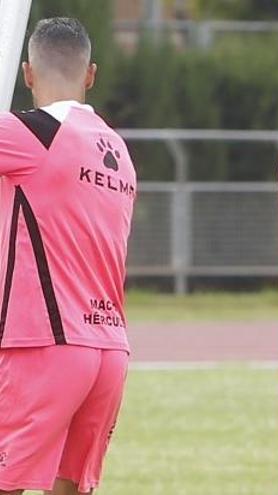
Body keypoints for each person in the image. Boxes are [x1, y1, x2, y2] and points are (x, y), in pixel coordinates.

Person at [0, 17, 137, 495]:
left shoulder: (28, 134)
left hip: (46, 340)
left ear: (28, 75)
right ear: (91, 74)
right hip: (109, 348)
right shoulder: (117, 147)